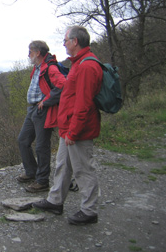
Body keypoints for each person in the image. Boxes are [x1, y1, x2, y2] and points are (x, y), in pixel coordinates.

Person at [33, 26, 103, 225]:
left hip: (78, 129)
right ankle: (55, 201)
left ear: (75, 41)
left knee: (83, 170)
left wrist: (73, 131)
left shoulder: (87, 66)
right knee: (62, 166)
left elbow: (84, 103)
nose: (63, 44)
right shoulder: (78, 63)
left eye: (65, 40)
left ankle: (89, 211)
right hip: (68, 128)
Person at [17, 40, 66, 193]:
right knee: (23, 140)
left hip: (42, 110)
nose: (28, 55)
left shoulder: (50, 68)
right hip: (32, 109)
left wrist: (46, 101)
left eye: (30, 52)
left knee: (41, 146)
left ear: (38, 53)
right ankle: (31, 172)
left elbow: (63, 84)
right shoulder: (38, 68)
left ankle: (42, 181)